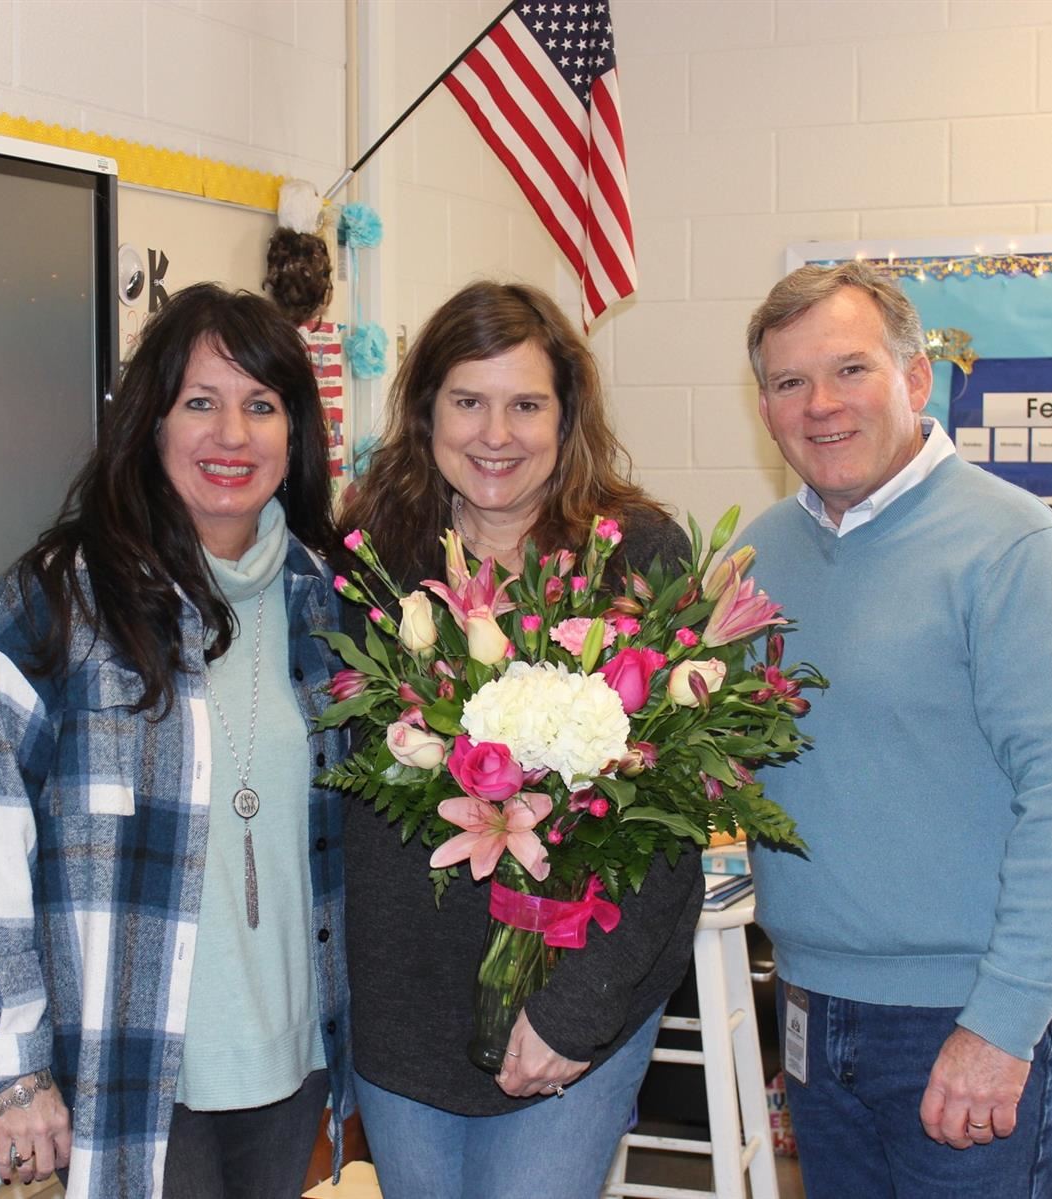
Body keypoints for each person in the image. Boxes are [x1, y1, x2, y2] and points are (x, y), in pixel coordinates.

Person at [0, 284, 352, 1198]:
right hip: (131, 1067)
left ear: (296, 433)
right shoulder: (57, 601)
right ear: (151, 424)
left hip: (290, 1059)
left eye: (260, 405)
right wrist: (15, 1068)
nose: (232, 435)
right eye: (200, 402)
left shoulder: (330, 602)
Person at [741, 261, 1052, 1196]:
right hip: (809, 1003)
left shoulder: (1014, 549)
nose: (821, 405)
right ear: (764, 406)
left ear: (917, 380)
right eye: (790, 382)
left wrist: (1000, 1024)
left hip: (962, 1010)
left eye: (851, 370)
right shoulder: (760, 558)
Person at [337, 281, 704, 1198]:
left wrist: (576, 1007)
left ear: (566, 415)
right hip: (403, 995)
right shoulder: (370, 552)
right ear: (425, 413)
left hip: (577, 986)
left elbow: (671, 817)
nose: (494, 433)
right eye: (468, 400)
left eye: (525, 403)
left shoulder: (636, 554)